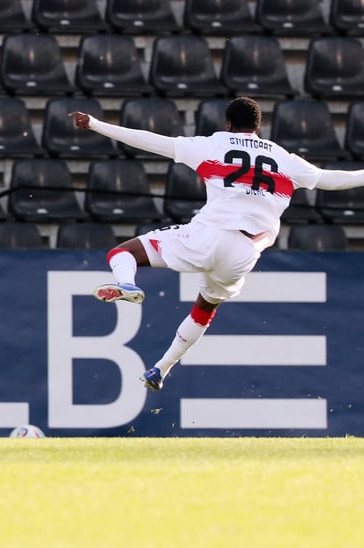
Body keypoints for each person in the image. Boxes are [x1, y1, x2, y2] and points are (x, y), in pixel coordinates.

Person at [71, 96, 364, 392]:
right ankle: (161, 369)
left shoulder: (213, 145)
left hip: (209, 235)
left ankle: (128, 284)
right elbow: (333, 179)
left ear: (228, 124)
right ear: (258, 127)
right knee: (205, 308)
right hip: (244, 254)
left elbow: (152, 141)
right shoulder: (285, 159)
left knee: (123, 253)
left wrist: (96, 124)